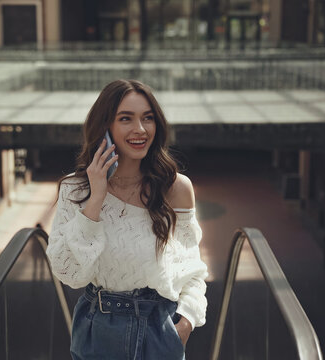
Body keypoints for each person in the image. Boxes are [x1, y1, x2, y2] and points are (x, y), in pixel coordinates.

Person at [46, 79, 208, 359]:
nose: (140, 129)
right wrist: (96, 199)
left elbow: (192, 268)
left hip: (160, 332)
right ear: (104, 127)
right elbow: (69, 274)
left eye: (148, 118)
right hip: (98, 333)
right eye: (126, 119)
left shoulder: (176, 188)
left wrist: (186, 324)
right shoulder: (75, 190)